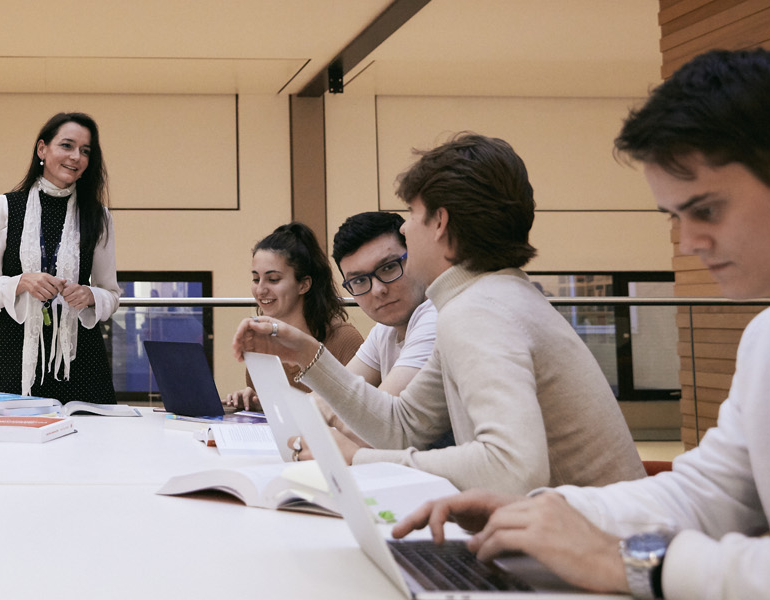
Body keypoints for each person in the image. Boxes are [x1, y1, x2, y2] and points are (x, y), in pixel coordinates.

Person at [393, 49, 770, 599]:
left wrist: (643, 565)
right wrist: (547, 511)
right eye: (675, 217)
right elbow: (705, 492)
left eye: (706, 210)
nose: (688, 244)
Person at [233, 133, 644, 495]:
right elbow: (402, 425)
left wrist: (359, 460)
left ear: (440, 223)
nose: (407, 229)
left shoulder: (480, 309)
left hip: (597, 551)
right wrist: (309, 355)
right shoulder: (484, 298)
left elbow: (511, 469)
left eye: (412, 215)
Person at [0, 112, 121, 402]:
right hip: (16, 353)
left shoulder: (98, 216)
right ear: (42, 149)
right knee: (14, 443)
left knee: (90, 443)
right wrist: (22, 282)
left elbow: (111, 294)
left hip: (81, 358)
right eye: (67, 145)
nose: (76, 156)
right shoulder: (6, 207)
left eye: (85, 151)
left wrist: (89, 295)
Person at [225, 223, 364, 409]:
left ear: (304, 285)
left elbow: (359, 411)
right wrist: (255, 400)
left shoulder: (344, 340)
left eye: (273, 279)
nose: (260, 290)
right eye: (256, 279)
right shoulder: (259, 344)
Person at [331, 212, 436, 396]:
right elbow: (338, 395)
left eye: (388, 268)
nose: (377, 290)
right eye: (359, 281)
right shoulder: (384, 330)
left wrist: (303, 351)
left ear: (416, 255)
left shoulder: (436, 316)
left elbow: (381, 416)